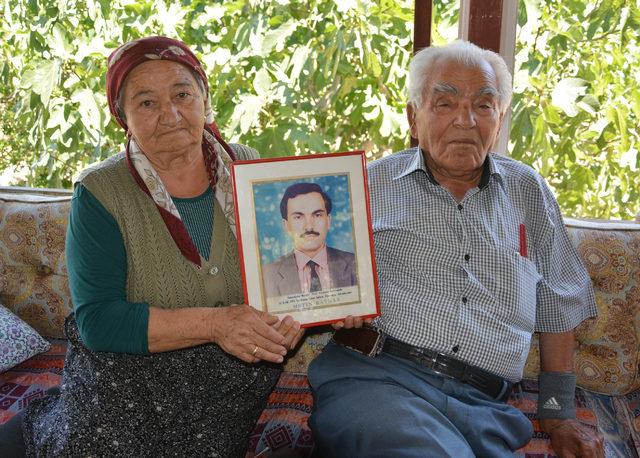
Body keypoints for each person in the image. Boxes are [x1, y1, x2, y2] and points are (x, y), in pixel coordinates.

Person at [0, 36, 304, 457]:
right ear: (123, 117)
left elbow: (288, 269)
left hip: (230, 377)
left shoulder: (248, 169)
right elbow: (99, 322)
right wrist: (215, 324)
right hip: (124, 376)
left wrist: (321, 305)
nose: (170, 114)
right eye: (146, 103)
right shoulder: (101, 192)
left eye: (182, 94)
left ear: (204, 99)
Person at [308, 41, 605, 457]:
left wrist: (558, 414)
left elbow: (560, 303)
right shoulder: (363, 187)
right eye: (445, 103)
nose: (466, 121)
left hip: (485, 411)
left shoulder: (528, 192)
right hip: (378, 382)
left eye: (483, 105)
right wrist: (331, 303)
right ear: (414, 117)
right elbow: (308, 275)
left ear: (499, 119)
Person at [262, 182, 357, 297]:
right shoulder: (267, 274)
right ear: (286, 225)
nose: (309, 227)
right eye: (298, 217)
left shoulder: (355, 264)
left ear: (329, 220)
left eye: (317, 215)